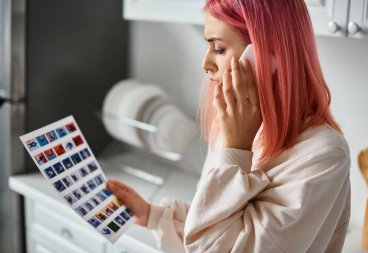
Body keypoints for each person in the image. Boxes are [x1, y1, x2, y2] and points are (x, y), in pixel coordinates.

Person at [107, 1, 351, 252]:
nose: (206, 63)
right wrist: (152, 215)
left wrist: (236, 149)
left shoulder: (323, 157)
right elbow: (220, 225)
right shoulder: (238, 130)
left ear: (265, 59)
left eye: (219, 49)